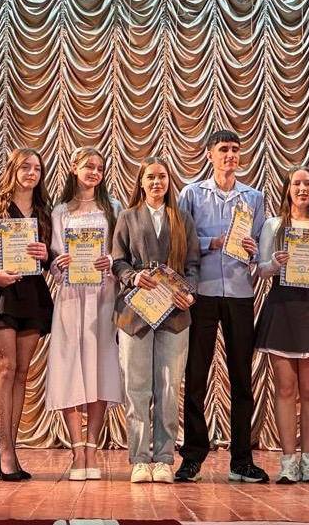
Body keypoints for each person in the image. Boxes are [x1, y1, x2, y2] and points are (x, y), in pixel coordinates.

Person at [176, 130, 268, 484]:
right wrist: (209, 242)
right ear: (209, 155)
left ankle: (241, 459)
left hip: (241, 293)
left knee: (242, 377)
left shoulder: (254, 197)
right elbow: (180, 240)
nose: (230, 155)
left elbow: (259, 246)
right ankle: (192, 457)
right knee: (196, 376)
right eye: (223, 149)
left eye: (235, 149)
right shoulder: (191, 194)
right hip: (202, 293)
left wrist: (253, 250)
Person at [111, 156, 199, 484]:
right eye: (150, 177)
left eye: (161, 176)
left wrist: (189, 294)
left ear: (168, 181)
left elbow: (193, 266)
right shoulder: (127, 217)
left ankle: (163, 459)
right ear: (141, 182)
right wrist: (133, 277)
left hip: (174, 314)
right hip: (135, 314)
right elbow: (118, 261)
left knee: (168, 387)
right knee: (136, 387)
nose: (156, 182)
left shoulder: (182, 219)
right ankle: (139, 459)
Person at [254, 166, 309, 484]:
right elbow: (261, 269)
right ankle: (288, 460)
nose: (302, 189)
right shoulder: (274, 225)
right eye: (296, 184)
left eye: (308, 184)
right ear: (287, 189)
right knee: (286, 388)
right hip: (282, 309)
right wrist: (275, 263)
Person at [0, 148, 53, 481]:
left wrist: (47, 255)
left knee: (22, 373)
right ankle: (5, 450)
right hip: (1, 296)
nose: (31, 173)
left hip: (32, 296)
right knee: (5, 369)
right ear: (12, 171)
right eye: (25, 167)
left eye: (37, 168)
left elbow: (52, 260)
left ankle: (12, 449)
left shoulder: (45, 212)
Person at [46, 147, 123, 481]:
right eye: (88, 166)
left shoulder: (113, 208)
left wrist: (112, 262)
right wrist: (58, 263)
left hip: (103, 296)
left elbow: (122, 253)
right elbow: (52, 257)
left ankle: (92, 449)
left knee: (99, 370)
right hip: (70, 298)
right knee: (69, 370)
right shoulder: (60, 211)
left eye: (99, 168)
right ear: (73, 168)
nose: (94, 172)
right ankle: (77, 451)